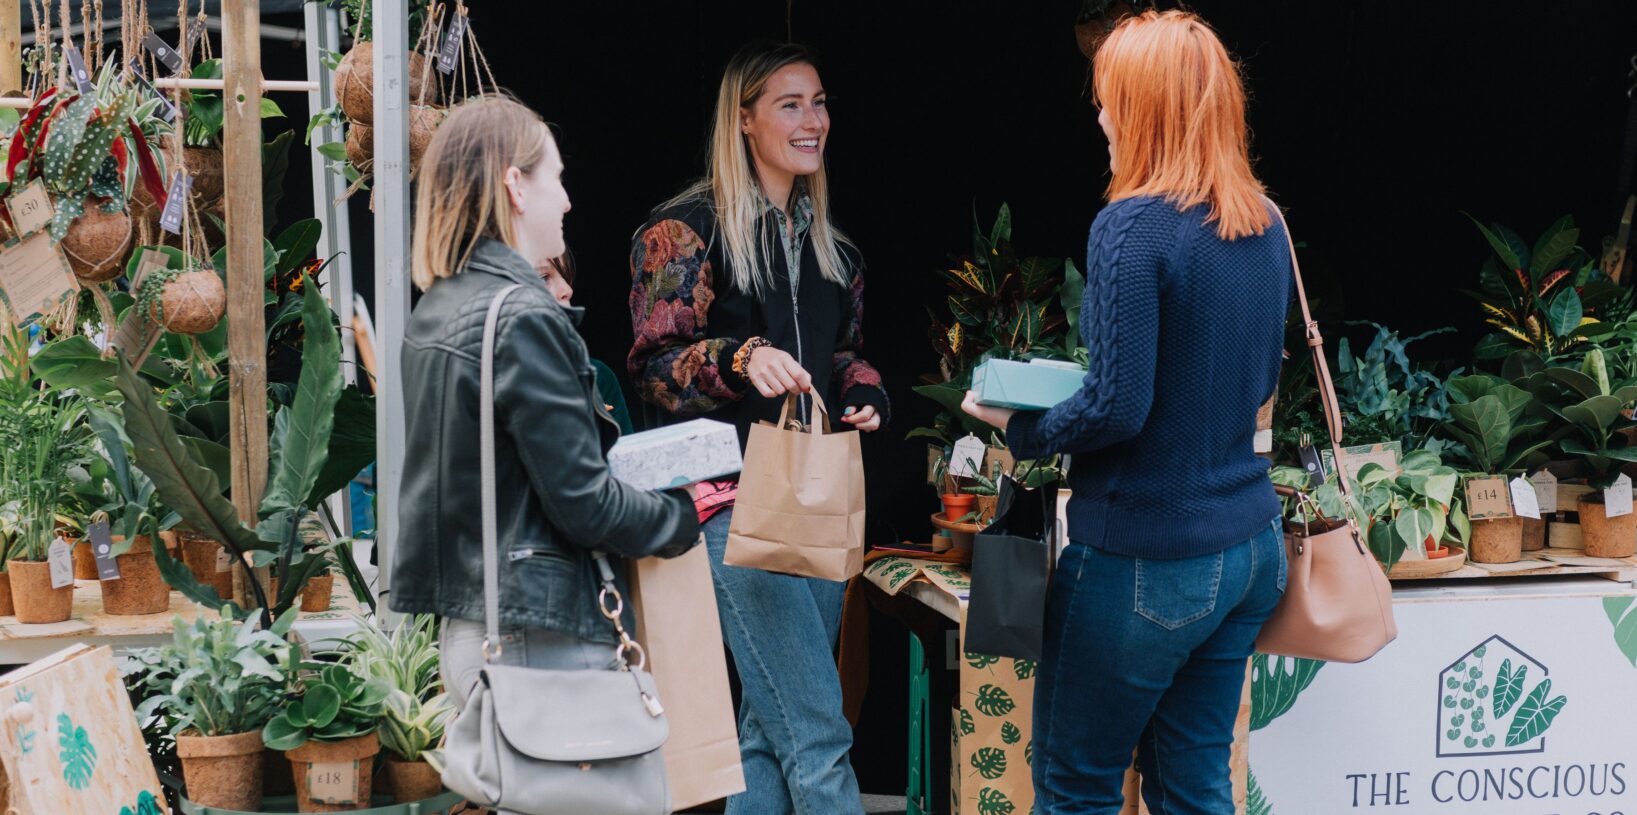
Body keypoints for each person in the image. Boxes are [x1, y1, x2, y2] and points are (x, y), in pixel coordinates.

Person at [962, 11, 1290, 814]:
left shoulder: (1130, 228)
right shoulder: (1264, 222)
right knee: (1194, 787)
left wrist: (1020, 427)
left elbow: (1116, 406)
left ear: (1146, 109)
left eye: (1110, 99)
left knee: (1075, 789)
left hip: (1147, 556)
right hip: (1248, 547)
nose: (1100, 115)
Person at [628, 41, 888, 815]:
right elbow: (652, 366)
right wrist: (739, 356)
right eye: (789, 104)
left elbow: (844, 353)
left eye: (818, 102)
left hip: (811, 499)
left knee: (766, 735)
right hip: (730, 509)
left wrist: (863, 390)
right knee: (817, 734)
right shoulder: (682, 232)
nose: (813, 120)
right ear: (743, 121)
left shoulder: (831, 247)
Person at [392, 95, 700, 708]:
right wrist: (682, 517)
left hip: (474, 633)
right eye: (556, 178)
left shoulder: (439, 309)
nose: (567, 199)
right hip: (540, 641)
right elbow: (584, 505)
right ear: (515, 185)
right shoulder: (524, 316)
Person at [538, 247, 636, 433]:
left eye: (565, 276)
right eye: (543, 278)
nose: (567, 289)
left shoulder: (598, 377)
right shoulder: (482, 385)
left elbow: (623, 457)